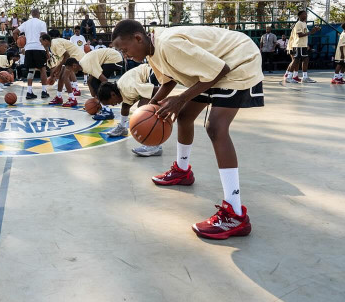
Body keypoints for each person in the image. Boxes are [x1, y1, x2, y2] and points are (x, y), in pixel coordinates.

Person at [111, 20, 264, 240]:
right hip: (215, 68)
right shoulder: (152, 52)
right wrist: (149, 109)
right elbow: (168, 82)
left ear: (138, 38)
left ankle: (235, 215)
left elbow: (221, 69)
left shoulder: (168, 44)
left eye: (125, 50)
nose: (125, 56)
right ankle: (182, 172)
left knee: (216, 128)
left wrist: (181, 99)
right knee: (184, 116)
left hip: (238, 59)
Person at [96, 63, 163, 157]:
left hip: (154, 73)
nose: (112, 105)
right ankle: (122, 128)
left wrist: (159, 104)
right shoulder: (121, 89)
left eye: (110, 103)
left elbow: (157, 90)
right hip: (143, 78)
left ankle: (155, 146)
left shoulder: (129, 88)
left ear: (113, 94)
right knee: (125, 106)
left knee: (143, 110)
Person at [64, 47, 124, 119]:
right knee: (93, 82)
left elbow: (104, 80)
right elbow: (90, 81)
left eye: (69, 69)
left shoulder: (86, 65)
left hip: (113, 58)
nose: (70, 71)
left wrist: (102, 97)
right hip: (112, 57)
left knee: (97, 83)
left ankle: (107, 110)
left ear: (74, 66)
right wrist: (95, 96)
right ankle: (102, 104)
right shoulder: (84, 64)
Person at [12, 8, 50, 100]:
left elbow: (14, 32)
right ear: (38, 14)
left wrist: (18, 44)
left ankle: (29, 92)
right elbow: (43, 36)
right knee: (43, 70)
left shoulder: (26, 23)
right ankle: (44, 91)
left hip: (28, 49)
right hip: (39, 48)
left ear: (31, 14)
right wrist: (47, 50)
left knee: (31, 70)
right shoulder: (42, 23)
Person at [39, 33, 84, 107]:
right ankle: (59, 97)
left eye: (41, 42)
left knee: (65, 77)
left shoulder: (55, 44)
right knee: (61, 76)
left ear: (46, 40)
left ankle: (72, 99)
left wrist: (58, 68)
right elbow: (61, 60)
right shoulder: (52, 46)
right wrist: (54, 75)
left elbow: (67, 55)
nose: (41, 44)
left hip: (76, 57)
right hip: (71, 58)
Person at [286, 10, 320, 83]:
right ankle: (289, 77)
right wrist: (310, 32)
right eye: (304, 14)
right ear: (299, 16)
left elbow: (307, 33)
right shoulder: (298, 23)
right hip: (299, 45)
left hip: (303, 45)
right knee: (296, 60)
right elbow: (300, 35)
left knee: (305, 59)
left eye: (306, 14)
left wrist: (314, 30)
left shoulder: (304, 23)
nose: (306, 16)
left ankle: (304, 77)